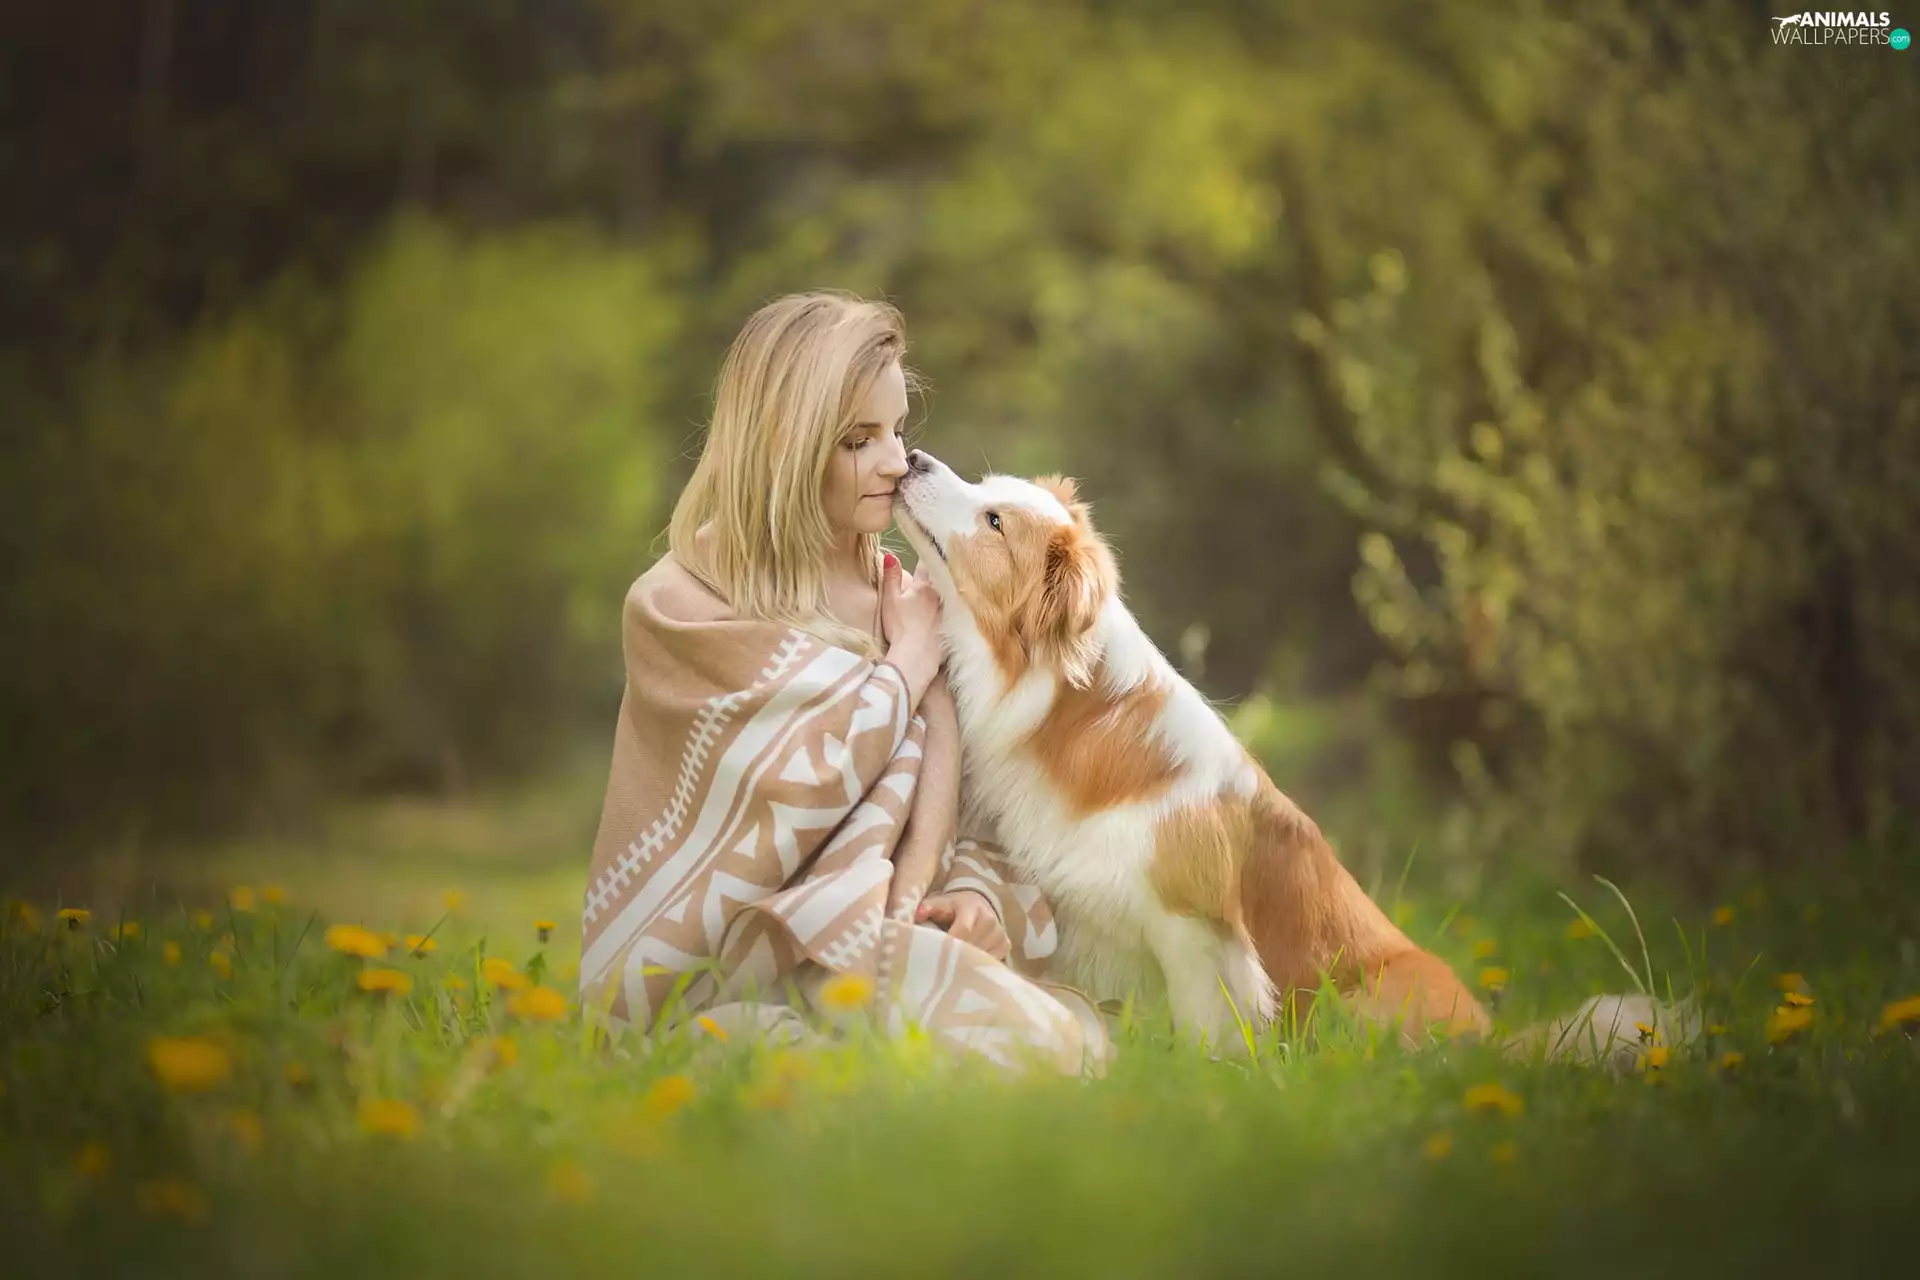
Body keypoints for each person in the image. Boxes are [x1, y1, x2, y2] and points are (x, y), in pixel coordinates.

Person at [579, 291, 1108, 1074]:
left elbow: (997, 806)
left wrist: (976, 897)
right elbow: (775, 801)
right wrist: (904, 670)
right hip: (743, 960)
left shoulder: (922, 598)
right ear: (783, 449)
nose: (898, 463)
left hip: (897, 937)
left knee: (1066, 1046)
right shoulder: (680, 608)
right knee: (787, 1051)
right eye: (860, 440)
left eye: (898, 430)